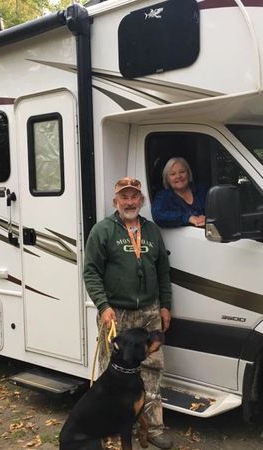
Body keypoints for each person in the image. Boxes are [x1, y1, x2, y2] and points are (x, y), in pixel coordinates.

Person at [83, 176, 173, 449]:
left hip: (148, 312)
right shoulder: (103, 230)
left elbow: (163, 272)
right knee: (112, 377)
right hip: (115, 314)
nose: (130, 201)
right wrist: (103, 306)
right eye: (124, 196)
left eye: (134, 196)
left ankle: (154, 428)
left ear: (142, 200)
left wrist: (165, 305)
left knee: (152, 371)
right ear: (116, 201)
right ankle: (108, 427)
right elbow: (91, 272)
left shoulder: (152, 231)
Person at [151, 157, 208, 228]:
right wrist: (189, 218)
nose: (178, 176)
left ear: (188, 173)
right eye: (173, 174)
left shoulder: (202, 189)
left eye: (182, 172)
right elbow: (158, 215)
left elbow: (218, 210)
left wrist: (208, 218)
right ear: (167, 178)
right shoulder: (163, 196)